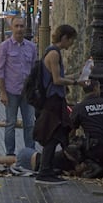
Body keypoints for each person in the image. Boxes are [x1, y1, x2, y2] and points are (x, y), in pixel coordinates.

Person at [33, 24, 87, 185]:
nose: (71, 44)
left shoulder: (51, 52)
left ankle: (47, 169)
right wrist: (76, 82)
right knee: (53, 135)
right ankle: (44, 171)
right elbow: (57, 80)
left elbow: (56, 76)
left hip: (54, 99)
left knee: (56, 134)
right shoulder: (54, 54)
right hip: (53, 100)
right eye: (71, 40)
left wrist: (77, 75)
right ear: (64, 38)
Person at [0, 16, 37, 152]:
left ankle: (30, 152)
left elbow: (34, 70)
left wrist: (35, 90)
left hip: (27, 93)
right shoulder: (4, 47)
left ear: (25, 28)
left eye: (21, 26)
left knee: (30, 123)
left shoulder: (31, 47)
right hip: (11, 92)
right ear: (11, 28)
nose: (19, 29)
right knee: (10, 123)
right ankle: (10, 153)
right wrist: (3, 92)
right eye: (16, 26)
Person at [70, 79, 103, 181]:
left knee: (75, 143)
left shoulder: (79, 107)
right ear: (96, 89)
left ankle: (93, 165)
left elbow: (71, 129)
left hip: (95, 146)